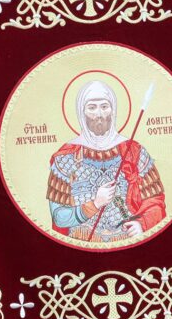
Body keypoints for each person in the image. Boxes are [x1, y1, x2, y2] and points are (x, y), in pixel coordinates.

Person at [47, 80, 165, 242]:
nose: (99, 114)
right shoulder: (65, 158)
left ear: (113, 110)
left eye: (104, 106)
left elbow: (155, 202)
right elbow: (59, 217)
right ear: (81, 112)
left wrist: (142, 224)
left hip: (127, 239)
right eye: (91, 107)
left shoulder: (135, 152)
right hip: (83, 240)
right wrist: (95, 204)